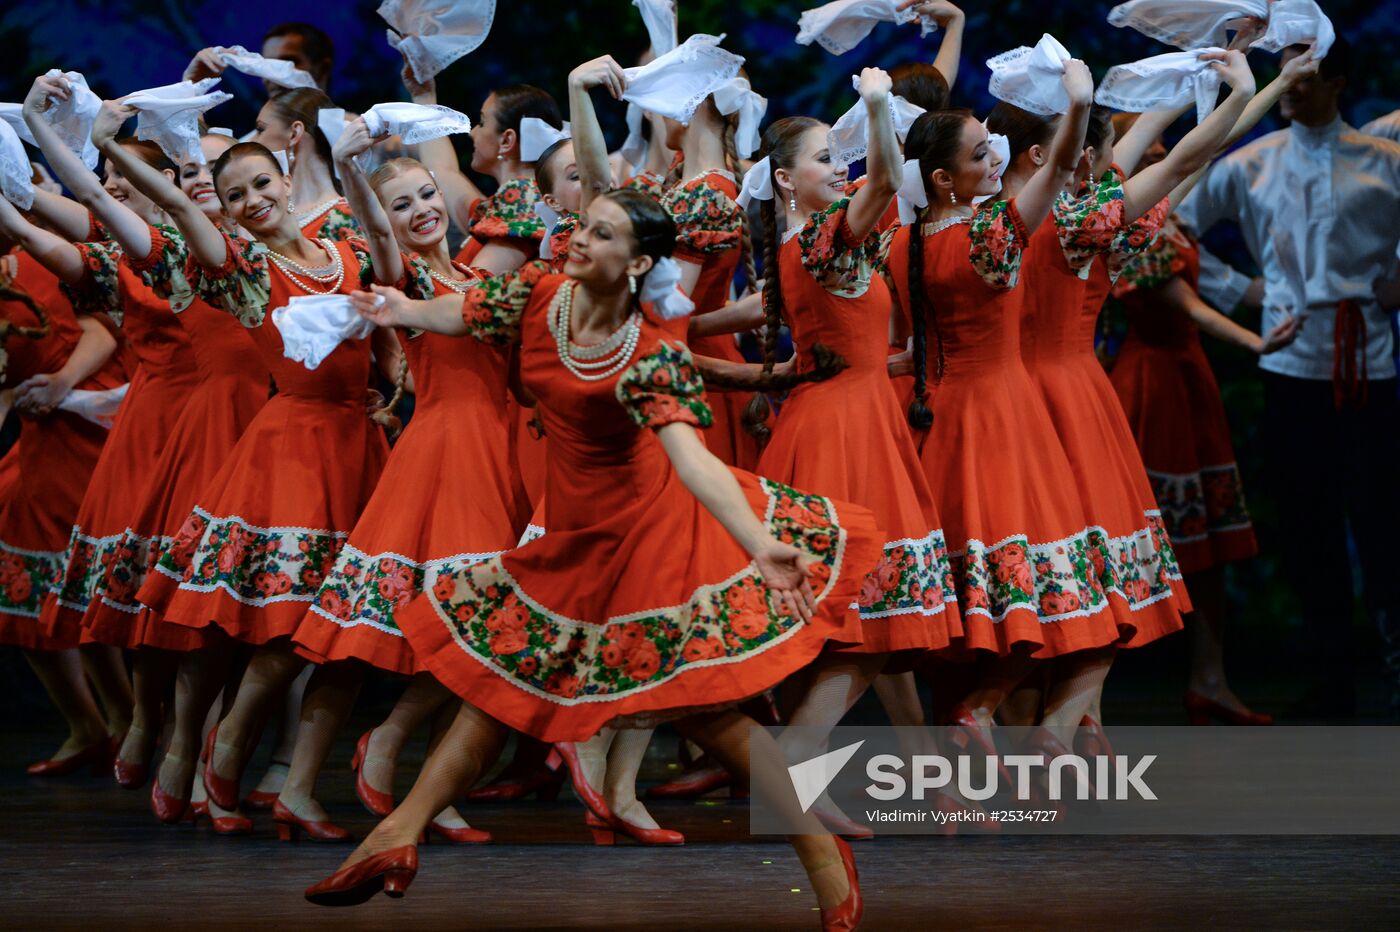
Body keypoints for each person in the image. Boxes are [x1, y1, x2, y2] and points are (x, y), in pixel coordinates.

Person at [305, 190, 874, 930]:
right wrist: (401, 312)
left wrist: (759, 543)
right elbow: (469, 313)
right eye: (582, 225)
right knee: (505, 686)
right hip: (574, 535)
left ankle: (823, 855)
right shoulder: (544, 295)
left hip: (649, 537)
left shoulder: (651, 356)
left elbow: (695, 464)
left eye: (601, 235)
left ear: (638, 263)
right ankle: (397, 835)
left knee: (708, 715)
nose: (578, 240)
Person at [1176, 37, 1400, 716]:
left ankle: (1393, 667)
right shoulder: (1254, 163)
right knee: (1308, 527)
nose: (1291, 89)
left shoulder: (1385, 162)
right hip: (1291, 363)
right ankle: (1331, 673)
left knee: (1385, 523)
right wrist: (1242, 290)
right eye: (1286, 78)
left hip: (1373, 363)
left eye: (1305, 79)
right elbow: (1175, 221)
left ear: (1336, 84)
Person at [0, 222, 128, 777]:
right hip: (40, 431)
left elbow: (104, 327)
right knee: (26, 574)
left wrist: (61, 384)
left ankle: (132, 724)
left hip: (96, 411)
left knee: (93, 575)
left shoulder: (42, 252)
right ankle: (91, 725)